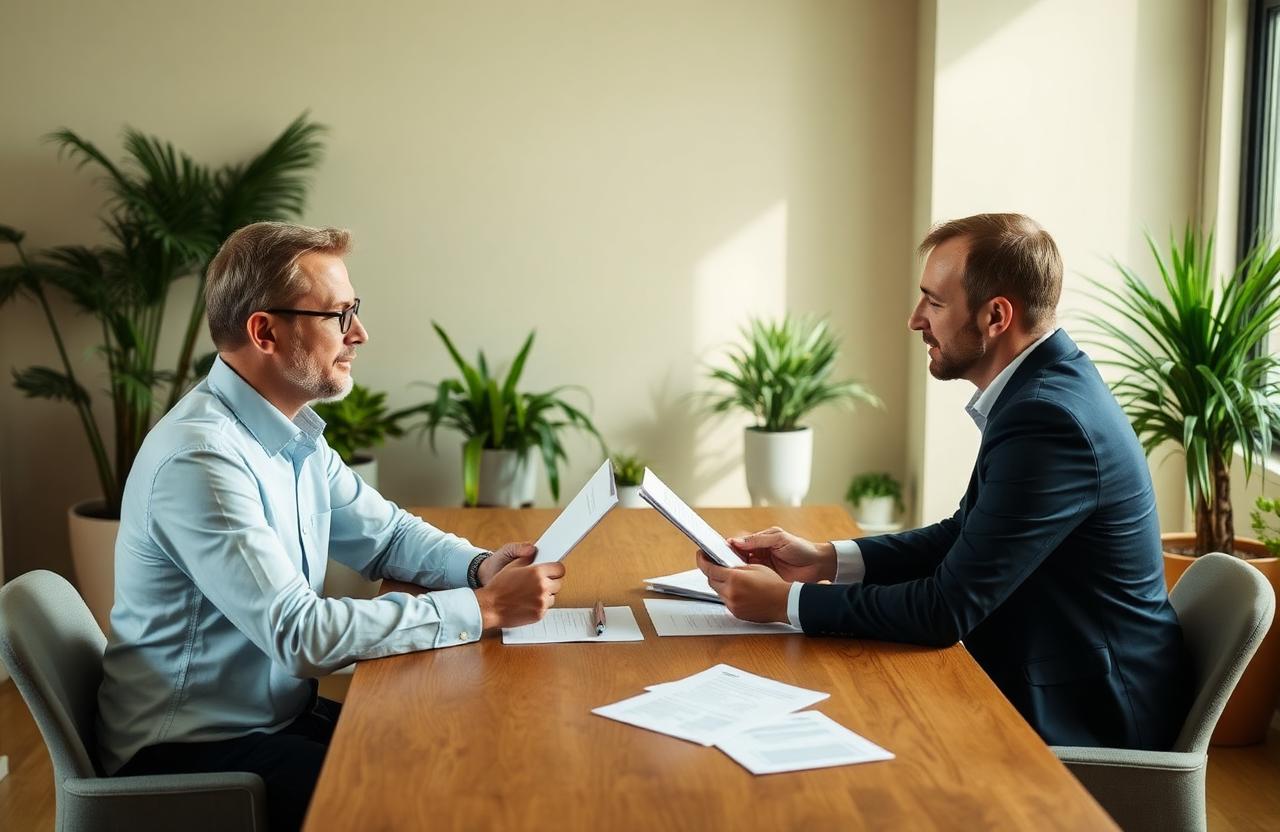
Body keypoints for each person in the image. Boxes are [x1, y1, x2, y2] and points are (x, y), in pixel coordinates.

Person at [97, 222, 564, 831]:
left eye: (355, 312)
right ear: (265, 331)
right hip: (185, 754)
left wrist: (479, 567)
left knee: (449, 753)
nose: (359, 334)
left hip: (268, 719)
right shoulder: (201, 459)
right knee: (424, 799)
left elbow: (388, 535)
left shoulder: (289, 432)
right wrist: (486, 609)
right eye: (339, 315)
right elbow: (301, 635)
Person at [696, 213, 1194, 750]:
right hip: (1050, 663)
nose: (915, 319)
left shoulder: (1048, 420)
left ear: (996, 315)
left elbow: (944, 610)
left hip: (1093, 710)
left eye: (934, 302)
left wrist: (788, 602)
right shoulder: (1045, 386)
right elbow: (964, 533)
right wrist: (825, 560)